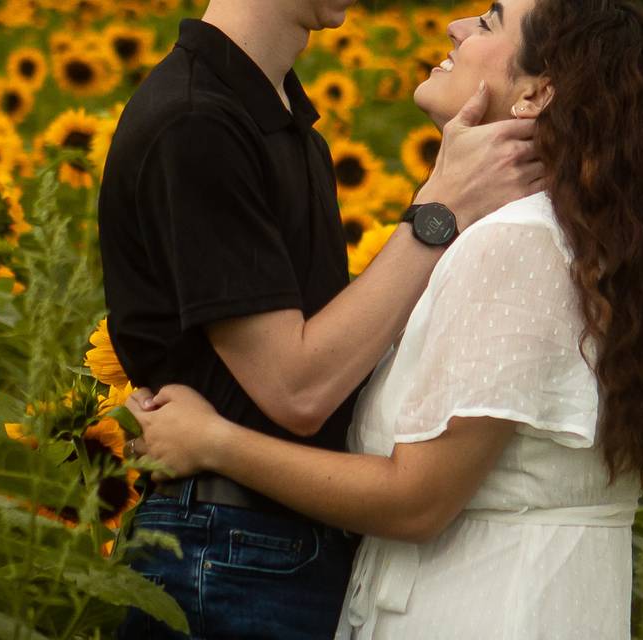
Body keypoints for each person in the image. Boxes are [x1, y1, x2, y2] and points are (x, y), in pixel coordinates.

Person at [128, 0, 643, 637]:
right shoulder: (568, 237)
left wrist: (215, 441)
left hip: (481, 606)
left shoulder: (517, 245)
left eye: (491, 20)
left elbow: (417, 499)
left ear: (537, 93)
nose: (456, 25)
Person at [98, 0, 543, 638]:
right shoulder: (199, 120)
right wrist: (438, 210)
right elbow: (296, 387)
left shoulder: (273, 114)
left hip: (267, 540)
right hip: (227, 548)